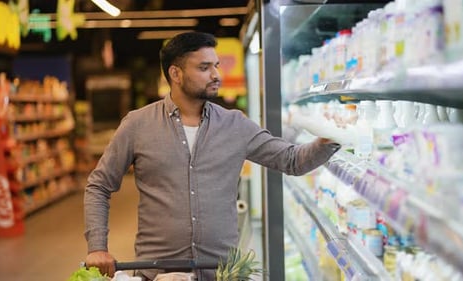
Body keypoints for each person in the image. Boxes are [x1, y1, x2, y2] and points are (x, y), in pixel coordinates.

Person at [83, 31, 341, 281]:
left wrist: (330, 137)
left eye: (216, 66)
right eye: (204, 68)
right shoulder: (138, 125)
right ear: (176, 73)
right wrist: (97, 247)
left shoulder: (235, 125)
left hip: (222, 273)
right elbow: (99, 185)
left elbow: (292, 161)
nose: (216, 74)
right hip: (159, 273)